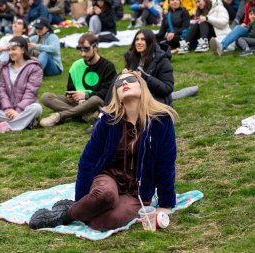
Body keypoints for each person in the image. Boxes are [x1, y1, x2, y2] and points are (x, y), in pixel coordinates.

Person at [29, 70, 178, 231]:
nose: (124, 83)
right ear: (117, 94)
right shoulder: (109, 121)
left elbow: (166, 163)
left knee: (106, 222)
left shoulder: (161, 120)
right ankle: (64, 214)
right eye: (119, 83)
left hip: (138, 191)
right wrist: (82, 199)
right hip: (109, 177)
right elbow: (88, 159)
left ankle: (74, 211)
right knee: (105, 196)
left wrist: (166, 204)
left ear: (142, 87)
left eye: (130, 79)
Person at [40, 33, 116, 128]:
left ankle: (60, 115)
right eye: (80, 49)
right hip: (77, 102)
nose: (83, 53)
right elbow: (70, 88)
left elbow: (107, 93)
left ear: (96, 47)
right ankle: (82, 114)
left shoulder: (108, 66)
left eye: (86, 49)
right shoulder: (76, 65)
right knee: (46, 97)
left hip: (95, 103)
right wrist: (70, 96)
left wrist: (86, 95)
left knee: (95, 99)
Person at [0, 36, 43, 132]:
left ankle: (5, 127)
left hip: (25, 108)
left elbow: (31, 92)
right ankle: (26, 122)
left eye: (14, 49)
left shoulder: (34, 68)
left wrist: (18, 111)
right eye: (9, 49)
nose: (10, 52)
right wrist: (8, 109)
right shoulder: (5, 67)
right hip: (7, 110)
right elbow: (2, 91)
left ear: (23, 50)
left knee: (37, 108)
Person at [125, 29, 174, 105]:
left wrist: (145, 77)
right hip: (136, 97)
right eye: (137, 39)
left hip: (157, 101)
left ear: (150, 42)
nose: (139, 42)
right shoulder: (132, 58)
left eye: (143, 39)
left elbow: (167, 88)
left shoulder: (162, 60)